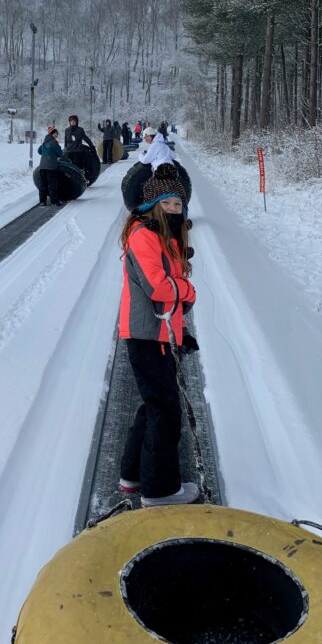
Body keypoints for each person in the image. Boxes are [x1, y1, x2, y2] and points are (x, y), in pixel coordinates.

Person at [118, 165, 199, 506]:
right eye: (166, 204)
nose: (173, 210)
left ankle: (133, 474)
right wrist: (188, 290)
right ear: (152, 206)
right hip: (147, 334)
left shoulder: (164, 236)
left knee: (155, 404)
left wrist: (181, 334)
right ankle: (160, 490)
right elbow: (158, 287)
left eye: (178, 204)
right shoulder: (144, 236)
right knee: (165, 410)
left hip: (159, 333)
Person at [37, 128, 63, 206]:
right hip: (51, 166)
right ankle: (54, 201)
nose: (56, 135)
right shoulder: (54, 142)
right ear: (51, 134)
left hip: (42, 166)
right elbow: (60, 153)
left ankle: (42, 201)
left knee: (43, 184)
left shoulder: (44, 142)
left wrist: (46, 153)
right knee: (52, 184)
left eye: (57, 134)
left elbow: (39, 151)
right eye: (55, 133)